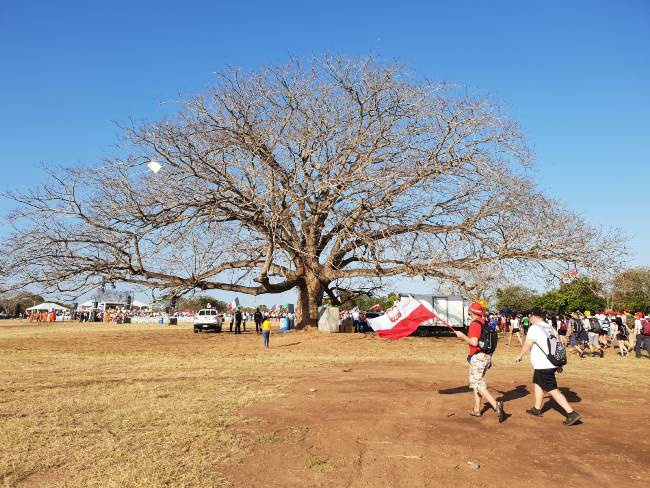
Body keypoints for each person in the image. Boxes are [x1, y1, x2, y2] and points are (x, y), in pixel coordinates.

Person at [515, 307, 581, 426]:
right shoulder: (550, 327)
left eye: (530, 316)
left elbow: (528, 343)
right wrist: (558, 364)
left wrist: (520, 355)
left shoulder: (534, 328)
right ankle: (537, 409)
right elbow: (556, 345)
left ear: (533, 316)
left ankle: (571, 413)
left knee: (552, 390)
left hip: (543, 365)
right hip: (548, 363)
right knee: (537, 383)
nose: (529, 318)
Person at [453, 302, 506, 422]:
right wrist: (490, 358)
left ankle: (496, 405)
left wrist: (461, 336)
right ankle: (477, 409)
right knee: (478, 383)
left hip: (478, 357)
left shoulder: (475, 324)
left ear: (470, 312)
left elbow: (474, 342)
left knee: (477, 383)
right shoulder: (485, 323)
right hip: (486, 357)